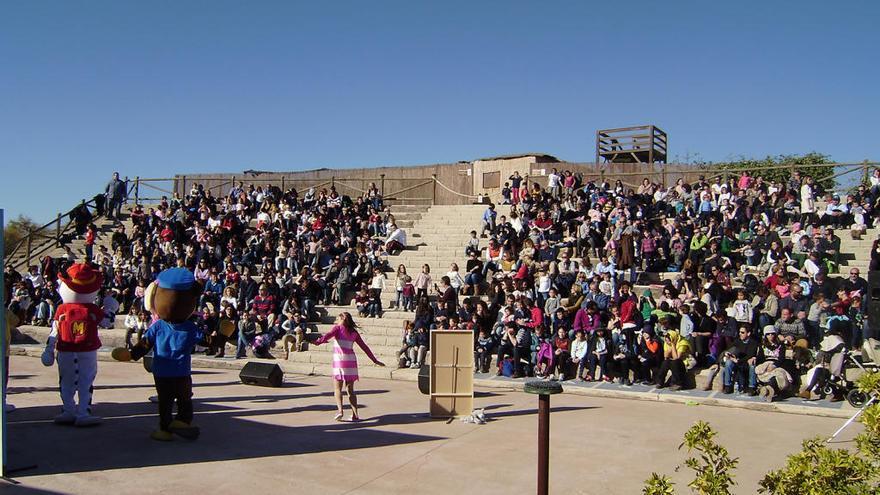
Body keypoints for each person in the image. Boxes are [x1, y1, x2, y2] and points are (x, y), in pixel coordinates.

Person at [312, 312, 385, 422]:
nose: (337, 320)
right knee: (350, 390)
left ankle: (340, 410)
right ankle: (355, 414)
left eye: (338, 318)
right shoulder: (354, 332)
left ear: (342, 319)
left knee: (337, 388)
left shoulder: (337, 328)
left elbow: (327, 335)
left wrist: (318, 341)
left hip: (340, 361)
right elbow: (364, 347)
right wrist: (375, 360)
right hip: (351, 362)